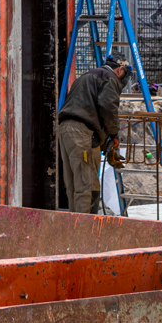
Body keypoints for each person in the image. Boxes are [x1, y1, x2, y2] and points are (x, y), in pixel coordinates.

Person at [58, 53, 131, 214]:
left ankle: (75, 224)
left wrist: (104, 145)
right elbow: (108, 109)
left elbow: (91, 109)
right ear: (120, 69)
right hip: (82, 133)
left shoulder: (87, 76)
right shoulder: (110, 78)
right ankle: (86, 227)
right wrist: (114, 135)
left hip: (65, 130)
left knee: (74, 186)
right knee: (87, 186)